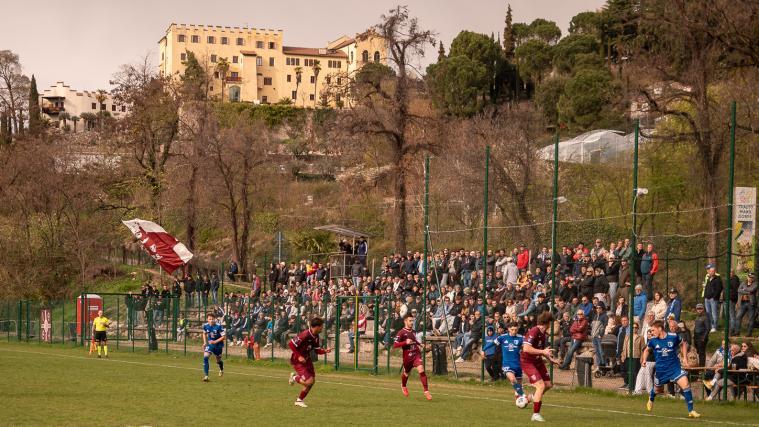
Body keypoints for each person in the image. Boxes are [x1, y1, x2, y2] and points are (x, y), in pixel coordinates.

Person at [641, 320, 700, 418]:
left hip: (674, 368)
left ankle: (691, 411)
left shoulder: (673, 336)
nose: (651, 332)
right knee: (657, 390)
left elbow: (683, 344)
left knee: (685, 384)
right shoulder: (653, 341)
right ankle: (651, 399)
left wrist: (685, 358)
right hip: (661, 371)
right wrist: (644, 360)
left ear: (660, 329)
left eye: (653, 330)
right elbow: (646, 350)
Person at [520, 312, 561, 423]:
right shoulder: (534, 331)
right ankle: (535, 414)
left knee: (548, 385)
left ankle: (529, 398)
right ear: (547, 323)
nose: (552, 326)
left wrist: (550, 359)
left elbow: (541, 351)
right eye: (551, 323)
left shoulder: (543, 334)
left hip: (537, 361)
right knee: (540, 386)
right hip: (528, 362)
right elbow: (526, 349)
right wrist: (543, 351)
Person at [288, 317, 332, 408]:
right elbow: (291, 344)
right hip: (298, 361)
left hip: (307, 360)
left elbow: (316, 350)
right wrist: (299, 356)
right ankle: (295, 377)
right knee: (309, 382)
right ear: (316, 327)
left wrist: (325, 351)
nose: (322, 328)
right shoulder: (305, 335)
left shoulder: (316, 336)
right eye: (321, 327)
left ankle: (299, 400)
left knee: (312, 382)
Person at [394, 313, 432, 400]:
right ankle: (403, 385)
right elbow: (395, 345)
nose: (412, 322)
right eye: (410, 321)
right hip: (407, 357)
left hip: (416, 354)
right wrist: (405, 342)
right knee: (406, 373)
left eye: (412, 321)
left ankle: (426, 391)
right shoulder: (401, 332)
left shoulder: (414, 332)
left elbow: (414, 341)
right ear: (405, 321)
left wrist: (421, 345)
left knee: (421, 370)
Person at [495, 322, 527, 401]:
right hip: (507, 363)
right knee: (512, 379)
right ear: (508, 329)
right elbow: (492, 343)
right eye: (512, 329)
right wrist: (484, 350)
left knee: (518, 383)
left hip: (517, 364)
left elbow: (527, 348)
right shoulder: (503, 337)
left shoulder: (521, 338)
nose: (514, 331)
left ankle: (518, 397)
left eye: (516, 330)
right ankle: (522, 395)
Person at [202, 313, 225, 382]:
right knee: (206, 357)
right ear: (207, 319)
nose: (211, 320)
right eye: (210, 319)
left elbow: (224, 337)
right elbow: (204, 333)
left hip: (218, 345)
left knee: (218, 360)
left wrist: (215, 342)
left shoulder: (219, 326)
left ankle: (221, 369)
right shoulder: (205, 326)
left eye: (212, 319)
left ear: (215, 319)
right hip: (210, 344)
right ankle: (206, 376)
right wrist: (205, 342)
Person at [703, 263, 723, 333]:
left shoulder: (718, 279)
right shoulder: (708, 278)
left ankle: (714, 327)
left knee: (714, 313)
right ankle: (710, 326)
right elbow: (706, 288)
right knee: (708, 313)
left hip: (713, 299)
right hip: (707, 298)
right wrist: (705, 295)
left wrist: (714, 297)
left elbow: (719, 289)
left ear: (714, 272)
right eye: (709, 271)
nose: (710, 272)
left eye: (712, 271)